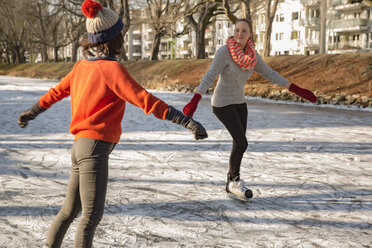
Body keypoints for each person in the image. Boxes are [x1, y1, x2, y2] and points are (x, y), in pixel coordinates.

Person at [17, 0, 207, 247]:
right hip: (94, 148)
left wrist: (32, 112)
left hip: (79, 148)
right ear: (114, 37)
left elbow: (55, 93)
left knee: (68, 212)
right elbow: (144, 100)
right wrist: (187, 121)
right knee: (90, 217)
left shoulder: (81, 67)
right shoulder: (111, 69)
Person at [183, 19, 317, 201]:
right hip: (222, 104)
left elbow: (271, 74)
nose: (239, 33)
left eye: (243, 31)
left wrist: (297, 90)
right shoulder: (224, 52)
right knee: (242, 142)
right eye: (237, 30)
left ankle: (231, 183)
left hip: (239, 103)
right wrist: (196, 98)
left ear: (250, 34)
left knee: (239, 143)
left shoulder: (253, 57)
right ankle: (234, 181)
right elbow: (210, 75)